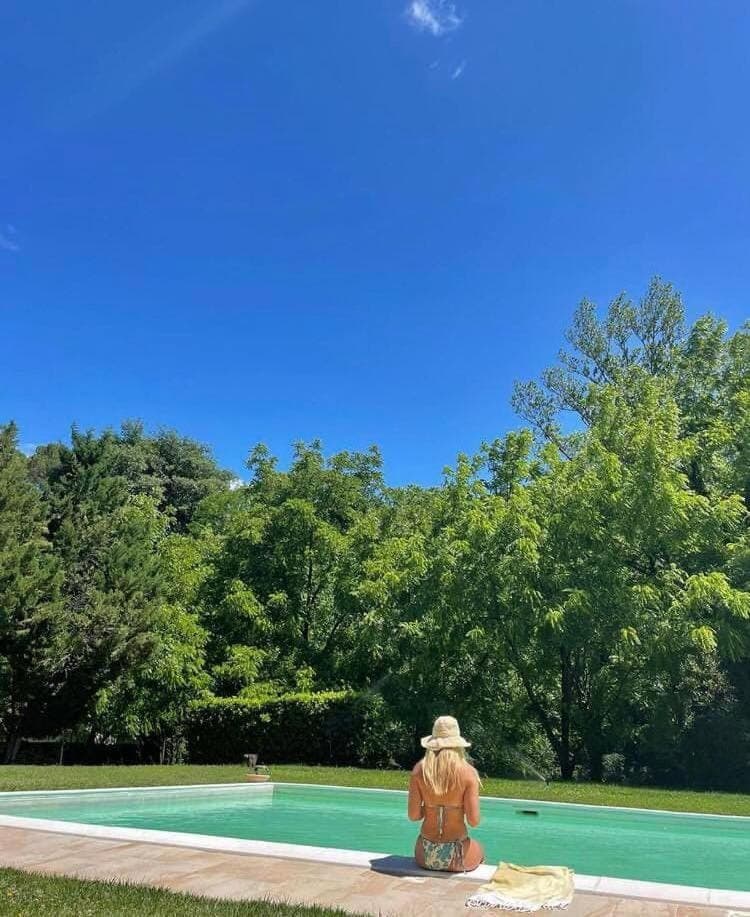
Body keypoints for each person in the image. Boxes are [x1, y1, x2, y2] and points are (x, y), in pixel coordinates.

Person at [407, 715, 485, 872]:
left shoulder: (419, 771)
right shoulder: (468, 773)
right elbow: (474, 821)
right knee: (480, 849)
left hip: (424, 853)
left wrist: (430, 807)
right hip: (458, 855)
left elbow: (413, 816)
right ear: (457, 744)